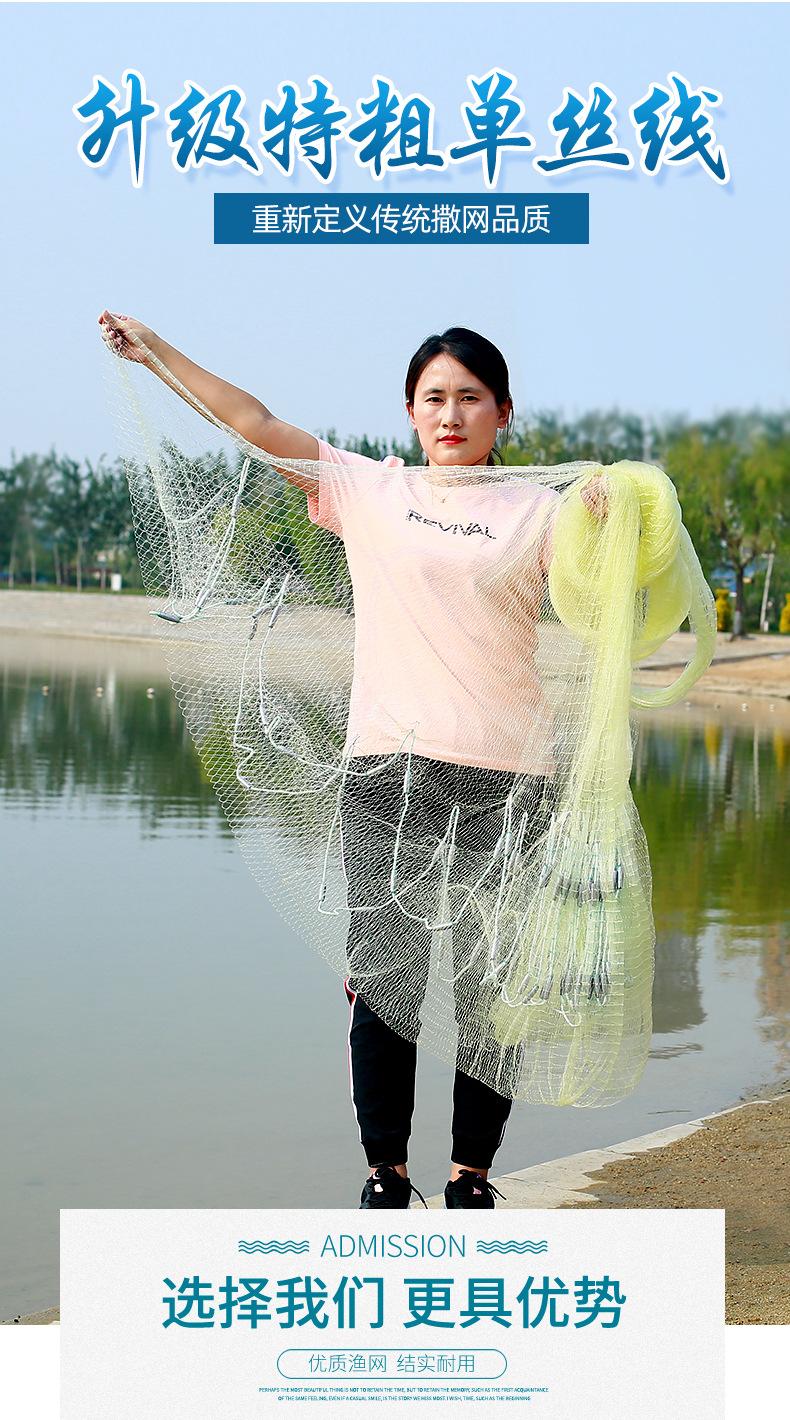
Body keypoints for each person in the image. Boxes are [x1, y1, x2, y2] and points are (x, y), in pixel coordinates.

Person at [98, 312, 607, 1210]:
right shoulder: (369, 490)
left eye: (470, 398)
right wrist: (157, 355)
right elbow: (254, 423)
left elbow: (611, 596)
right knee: (386, 987)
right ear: (410, 411)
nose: (450, 415)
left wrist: (613, 520)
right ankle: (386, 1175)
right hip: (386, 775)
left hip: (510, 777)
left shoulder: (542, 512)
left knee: (491, 992)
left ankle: (472, 1177)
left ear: (503, 412)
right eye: (433, 398)